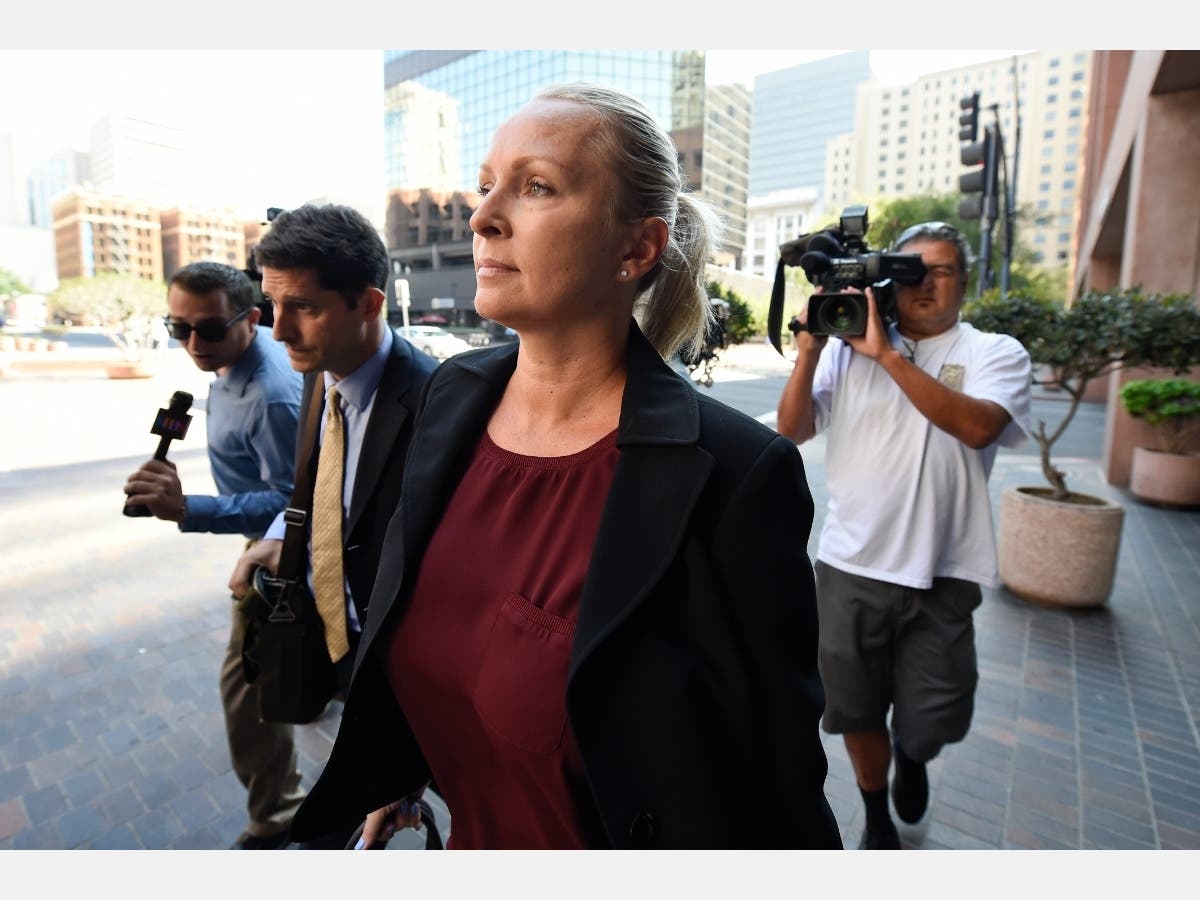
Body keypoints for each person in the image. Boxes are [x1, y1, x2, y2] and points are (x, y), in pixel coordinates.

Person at [287, 84, 841, 850]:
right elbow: (433, 629)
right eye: (486, 185)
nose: (482, 217)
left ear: (638, 248)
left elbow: (778, 779)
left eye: (536, 186)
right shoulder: (451, 398)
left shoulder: (735, 477)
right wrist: (406, 762)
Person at [775, 221, 1033, 849]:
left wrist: (887, 356)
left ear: (963, 283)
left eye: (939, 270)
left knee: (935, 719)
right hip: (851, 566)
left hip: (945, 572)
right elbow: (790, 433)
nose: (921, 282)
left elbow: (977, 428)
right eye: (908, 268)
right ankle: (876, 813)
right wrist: (810, 351)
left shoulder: (993, 352)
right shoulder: (842, 349)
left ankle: (913, 757)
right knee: (856, 711)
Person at [227, 202, 438, 848]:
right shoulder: (322, 375)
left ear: (369, 303)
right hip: (331, 636)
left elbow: (443, 583)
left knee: (345, 824)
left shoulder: (436, 403)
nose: (278, 330)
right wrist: (276, 542)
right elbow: (322, 493)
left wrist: (411, 760)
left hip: (396, 669)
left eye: (305, 307)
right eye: (272, 305)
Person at [122, 261, 305, 850]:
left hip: (279, 546)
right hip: (259, 535)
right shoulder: (227, 365)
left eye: (209, 329)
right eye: (178, 329)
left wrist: (189, 508)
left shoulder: (273, 397)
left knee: (245, 691)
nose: (193, 344)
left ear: (252, 318)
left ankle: (278, 817)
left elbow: (290, 503)